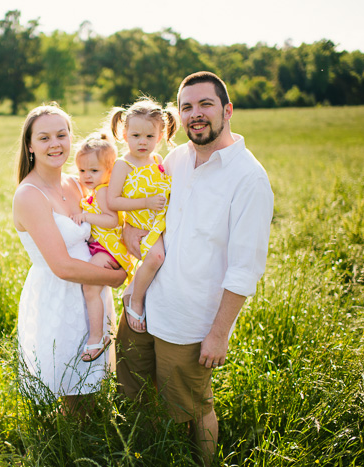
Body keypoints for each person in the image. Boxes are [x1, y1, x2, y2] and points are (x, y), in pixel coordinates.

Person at [116, 72, 274, 466]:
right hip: (144, 306)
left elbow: (245, 269)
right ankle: (146, 456)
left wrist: (218, 335)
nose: (195, 114)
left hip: (190, 322)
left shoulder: (249, 178)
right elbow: (155, 215)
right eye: (187, 107)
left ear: (227, 110)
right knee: (138, 394)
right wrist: (131, 229)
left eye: (205, 105)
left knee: (194, 406)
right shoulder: (175, 159)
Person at [12, 103, 126, 414]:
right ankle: (67, 451)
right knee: (70, 390)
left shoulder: (76, 183)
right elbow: (61, 266)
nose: (55, 144)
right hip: (59, 296)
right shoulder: (29, 195)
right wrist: (117, 278)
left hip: (91, 293)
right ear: (30, 145)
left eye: (62, 135)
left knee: (90, 390)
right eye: (45, 137)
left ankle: (87, 443)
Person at [105, 97, 179, 333]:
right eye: (136, 136)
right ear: (125, 134)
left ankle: (134, 290)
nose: (142, 142)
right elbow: (113, 200)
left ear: (160, 136)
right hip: (141, 224)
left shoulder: (157, 160)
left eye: (149, 137)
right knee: (156, 258)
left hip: (160, 222)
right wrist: (145, 202)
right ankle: (134, 298)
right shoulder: (123, 165)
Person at [69, 132, 136, 362]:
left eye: (94, 171)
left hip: (110, 251)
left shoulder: (104, 191)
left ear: (109, 172)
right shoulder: (95, 191)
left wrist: (85, 217)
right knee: (92, 289)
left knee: (90, 288)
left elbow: (112, 220)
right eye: (82, 171)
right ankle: (100, 334)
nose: (86, 176)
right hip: (103, 248)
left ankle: (97, 337)